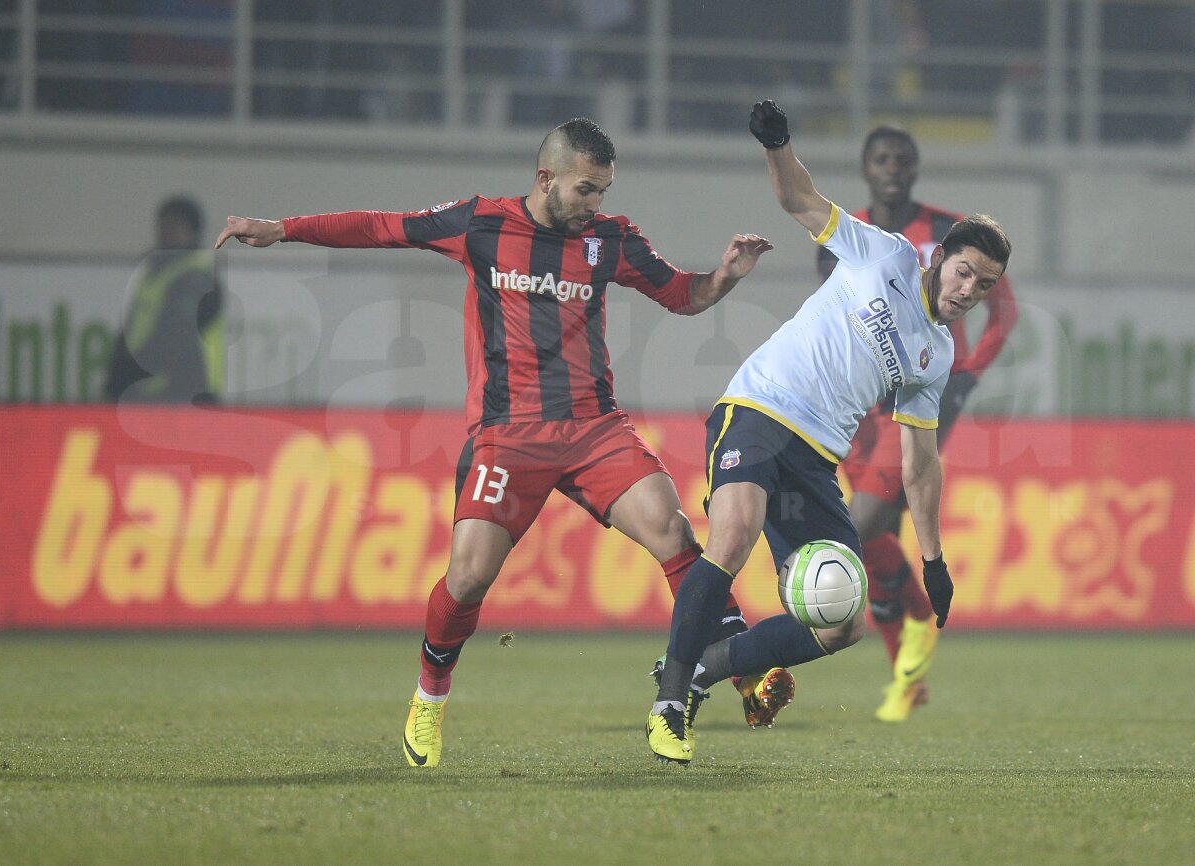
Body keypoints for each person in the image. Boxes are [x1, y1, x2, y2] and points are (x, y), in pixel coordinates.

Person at [215, 117, 773, 768]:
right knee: (470, 576)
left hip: (594, 427)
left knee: (675, 534)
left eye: (604, 191)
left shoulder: (610, 240)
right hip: (507, 437)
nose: (598, 204)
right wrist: (284, 229)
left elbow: (682, 296)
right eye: (588, 190)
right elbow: (381, 227)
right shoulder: (480, 224)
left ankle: (740, 673)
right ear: (546, 178)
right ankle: (430, 697)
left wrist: (727, 274)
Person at [646, 100, 1010, 764]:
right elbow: (799, 198)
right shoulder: (885, 254)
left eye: (983, 287)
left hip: (815, 458)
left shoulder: (937, 354)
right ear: (940, 258)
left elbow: (921, 463)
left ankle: (703, 669)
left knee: (845, 624)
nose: (968, 290)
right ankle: (671, 702)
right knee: (733, 533)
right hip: (758, 408)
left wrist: (933, 561)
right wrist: (777, 143)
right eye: (963, 272)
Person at [817, 125, 1018, 722]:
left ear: (916, 167)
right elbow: (831, 314)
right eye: (882, 158)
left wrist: (967, 376)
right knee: (876, 539)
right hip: (858, 403)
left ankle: (907, 635)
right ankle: (909, 669)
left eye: (903, 159)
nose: (893, 168)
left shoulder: (949, 234)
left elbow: (1003, 312)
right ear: (865, 167)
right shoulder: (844, 234)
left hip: (919, 400)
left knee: (861, 525)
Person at [105, 195, 225, 404]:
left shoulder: (198, 276)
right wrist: (117, 378)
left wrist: (129, 376)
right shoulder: (153, 272)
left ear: (193, 232)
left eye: (174, 226)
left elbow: (175, 337)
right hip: (151, 391)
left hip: (184, 392)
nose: (165, 233)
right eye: (163, 225)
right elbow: (132, 329)